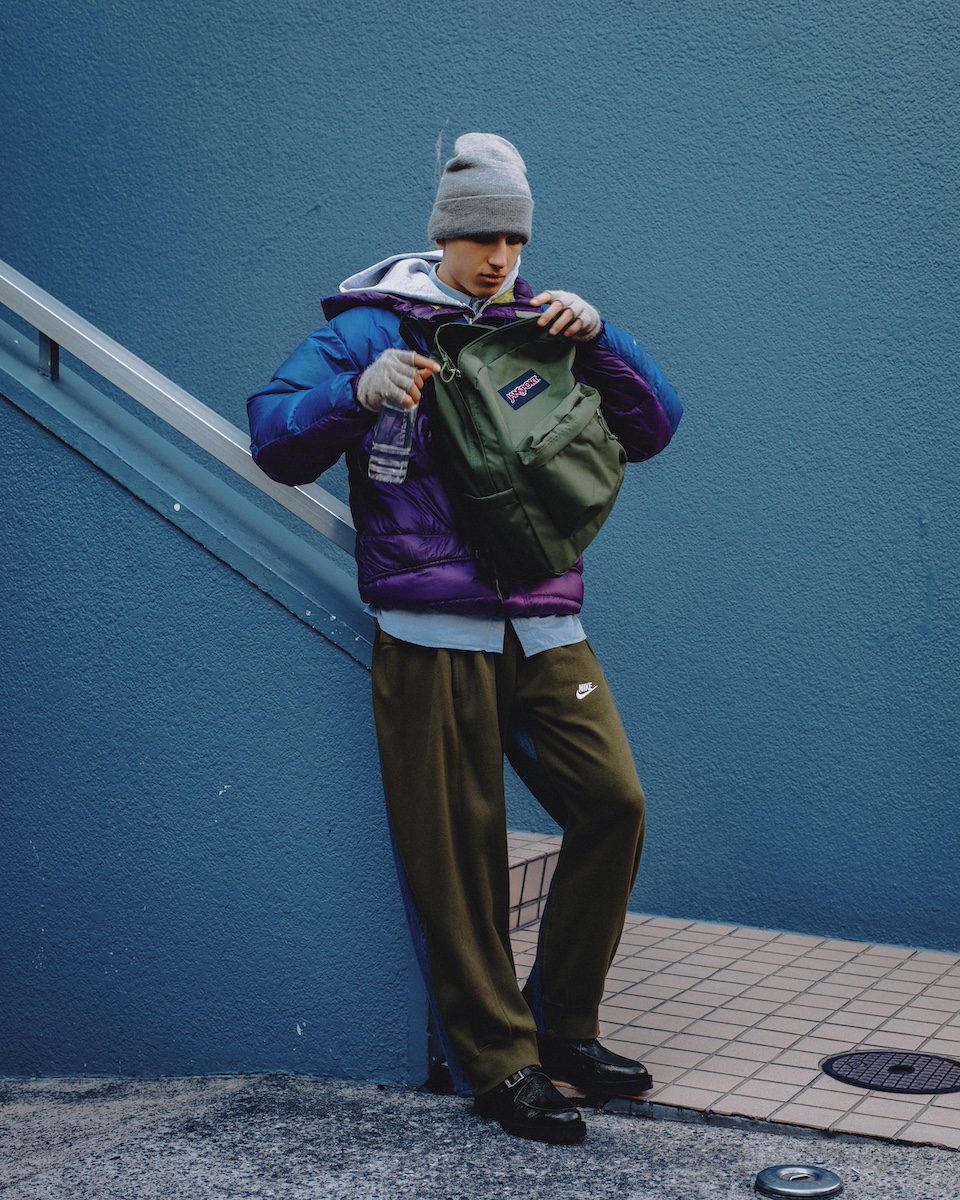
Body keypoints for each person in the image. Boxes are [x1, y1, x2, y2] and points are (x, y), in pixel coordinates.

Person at [247, 133, 682, 1145]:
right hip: (432, 632)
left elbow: (654, 427)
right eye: (484, 237)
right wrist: (355, 394)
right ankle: (499, 1064)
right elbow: (273, 436)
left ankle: (564, 1026)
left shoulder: (545, 322)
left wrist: (603, 338)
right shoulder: (372, 327)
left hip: (547, 625)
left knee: (614, 803)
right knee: (460, 853)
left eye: (515, 239)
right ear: (445, 236)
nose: (500, 256)